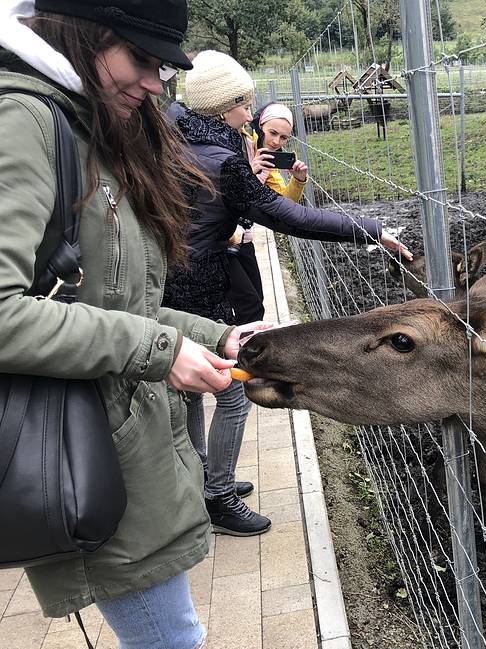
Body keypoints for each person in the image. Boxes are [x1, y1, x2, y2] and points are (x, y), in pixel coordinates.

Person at [0, 1, 268, 646]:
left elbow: (109, 300)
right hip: (87, 447)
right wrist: (156, 348)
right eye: (142, 59)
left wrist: (213, 336)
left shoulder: (85, 124)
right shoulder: (24, 121)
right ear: (84, 34)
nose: (155, 82)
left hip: (125, 442)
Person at [162, 50, 412, 537]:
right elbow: (293, 217)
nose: (250, 112)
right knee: (232, 391)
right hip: (200, 287)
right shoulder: (224, 161)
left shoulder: (177, 141)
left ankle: (197, 481)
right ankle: (217, 496)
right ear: (226, 105)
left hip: (171, 284)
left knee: (189, 391)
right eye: (244, 102)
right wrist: (370, 229)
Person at [226, 101, 309, 324]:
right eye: (272, 133)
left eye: (283, 138)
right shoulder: (241, 144)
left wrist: (299, 179)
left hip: (243, 236)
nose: (276, 142)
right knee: (249, 305)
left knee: (256, 299)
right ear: (259, 125)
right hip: (222, 235)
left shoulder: (267, 160)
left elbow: (284, 203)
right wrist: (250, 170)